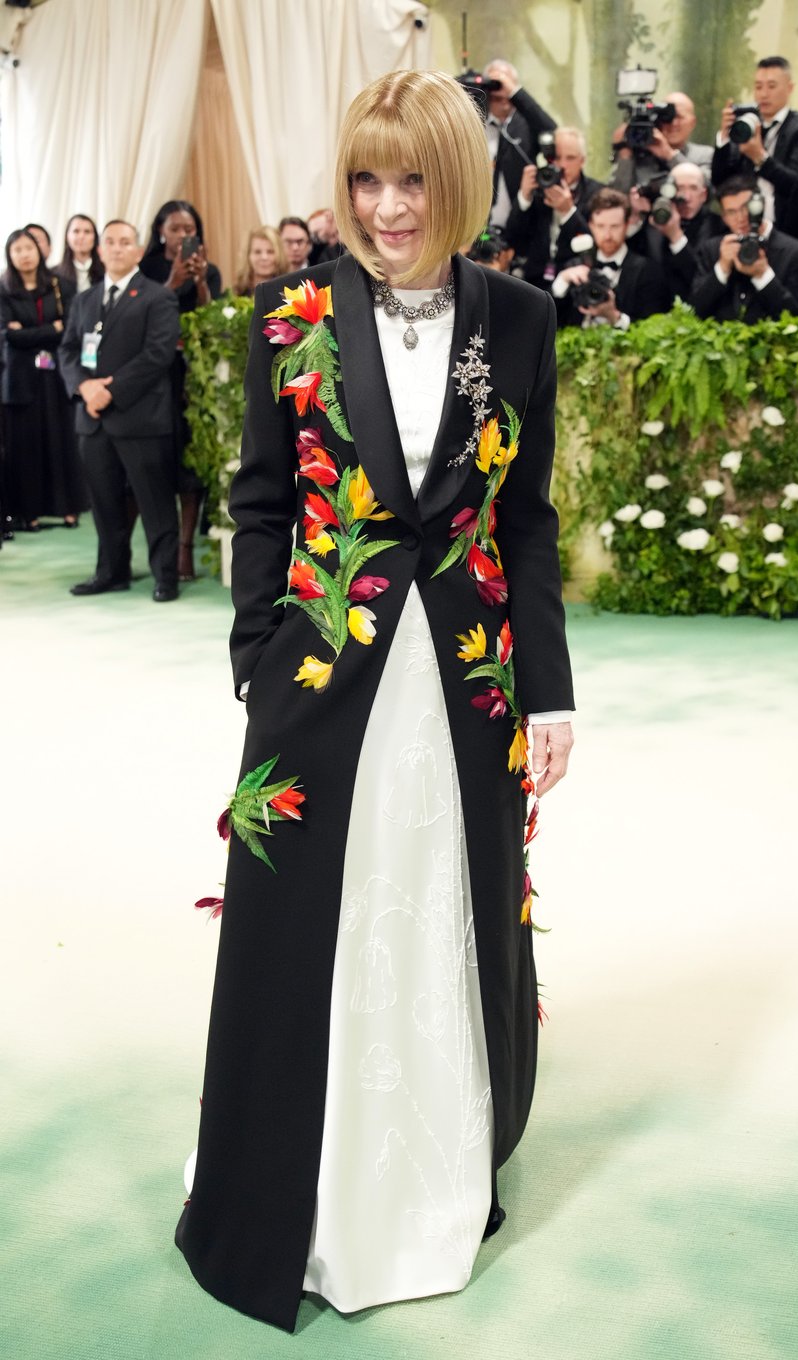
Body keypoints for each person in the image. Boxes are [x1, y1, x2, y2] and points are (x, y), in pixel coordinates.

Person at [175, 68, 575, 1334]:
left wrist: (550, 693)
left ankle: (428, 1176)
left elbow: (525, 521)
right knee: (304, 931)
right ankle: (290, 1195)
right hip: (318, 681)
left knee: (442, 912)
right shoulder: (287, 317)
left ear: (456, 179)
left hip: (463, 690)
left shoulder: (516, 319)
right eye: (366, 178)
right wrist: (257, 652)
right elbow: (254, 504)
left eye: (412, 178)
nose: (388, 206)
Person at [59, 220, 181, 599]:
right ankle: (112, 572)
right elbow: (67, 350)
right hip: (93, 422)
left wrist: (108, 391)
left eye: (125, 242)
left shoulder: (157, 297)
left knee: (155, 503)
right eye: (109, 242)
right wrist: (83, 386)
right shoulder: (85, 299)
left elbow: (157, 355)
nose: (116, 248)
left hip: (140, 416)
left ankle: (166, 576)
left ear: (139, 251)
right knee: (104, 503)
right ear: (100, 250)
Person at [140, 200, 222, 581]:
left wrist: (201, 281)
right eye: (176, 229)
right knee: (155, 460)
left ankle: (186, 549)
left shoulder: (212, 271)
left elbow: (210, 318)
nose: (184, 236)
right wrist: (172, 282)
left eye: (190, 229)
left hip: (193, 375)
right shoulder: (146, 270)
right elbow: (139, 319)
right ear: (161, 232)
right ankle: (159, 546)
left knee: (191, 462)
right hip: (155, 376)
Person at [0, 228, 84, 531]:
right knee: (26, 445)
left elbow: (72, 326)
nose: (24, 254)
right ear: (10, 255)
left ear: (40, 250)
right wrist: (51, 329)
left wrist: (27, 332)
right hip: (20, 379)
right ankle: (29, 513)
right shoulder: (3, 288)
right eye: (17, 249)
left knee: (62, 441)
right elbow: (8, 334)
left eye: (29, 247)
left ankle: (67, 508)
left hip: (58, 375)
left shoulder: (62, 285)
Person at [691, 176, 798, 321]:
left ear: (762, 205)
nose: (740, 218)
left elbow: (797, 319)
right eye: (731, 212)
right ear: (724, 217)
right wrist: (721, 269)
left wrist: (763, 276)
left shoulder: (796, 252)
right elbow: (694, 311)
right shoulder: (711, 249)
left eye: (746, 207)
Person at [712, 57, 798, 229]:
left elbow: (796, 187)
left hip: (784, 227)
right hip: (741, 224)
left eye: (772, 86)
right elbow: (720, 181)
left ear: (789, 88)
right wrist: (725, 137)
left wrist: (760, 158)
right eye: (758, 87)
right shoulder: (746, 124)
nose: (764, 94)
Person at [553, 187, 671, 328]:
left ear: (627, 225)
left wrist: (614, 316)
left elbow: (652, 329)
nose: (607, 235)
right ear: (591, 225)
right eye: (601, 226)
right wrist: (562, 280)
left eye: (614, 227)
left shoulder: (648, 271)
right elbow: (551, 319)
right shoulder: (574, 266)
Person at [505, 126, 602, 289]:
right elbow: (514, 238)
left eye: (570, 158)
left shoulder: (597, 194)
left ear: (582, 160)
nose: (562, 165)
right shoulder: (538, 188)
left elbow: (595, 247)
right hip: (533, 281)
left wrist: (568, 212)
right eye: (556, 157)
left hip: (574, 284)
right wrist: (524, 196)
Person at [483, 58, 557, 228]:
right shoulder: (475, 124)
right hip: (479, 228)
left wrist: (515, 93)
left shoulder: (527, 124)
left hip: (522, 224)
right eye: (496, 84)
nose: (501, 90)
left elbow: (553, 132)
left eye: (506, 83)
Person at [644, 162, 725, 301]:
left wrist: (675, 236)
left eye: (693, 188)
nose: (686, 197)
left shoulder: (717, 226)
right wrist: (635, 216)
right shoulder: (654, 221)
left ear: (704, 195)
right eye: (680, 188)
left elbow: (700, 278)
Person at [611, 91, 713, 193]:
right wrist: (625, 153)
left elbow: (707, 190)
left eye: (679, 117)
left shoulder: (704, 155)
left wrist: (669, 155)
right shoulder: (638, 155)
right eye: (667, 117)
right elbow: (617, 197)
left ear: (692, 123)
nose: (673, 123)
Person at [233, 225, 289, 297]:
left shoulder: (291, 292)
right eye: (257, 252)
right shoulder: (235, 294)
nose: (264, 257)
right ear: (248, 256)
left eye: (270, 252)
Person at [56, 213, 104, 293]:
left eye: (87, 232)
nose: (81, 236)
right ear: (66, 236)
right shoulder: (55, 275)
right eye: (76, 231)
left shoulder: (106, 271)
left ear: (95, 237)